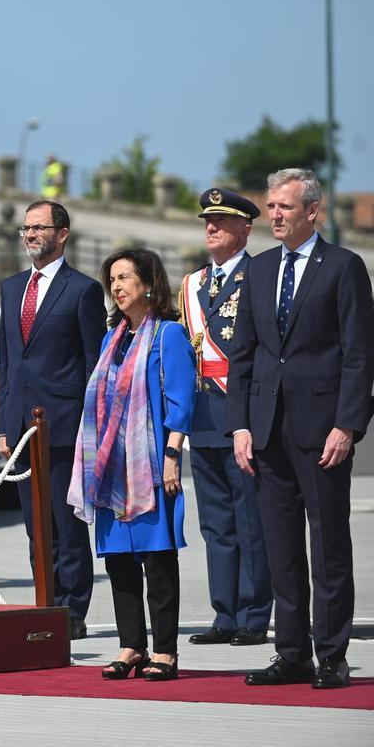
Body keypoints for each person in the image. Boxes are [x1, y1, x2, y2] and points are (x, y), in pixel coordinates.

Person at [229, 169, 374, 690]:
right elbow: (243, 356)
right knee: (282, 550)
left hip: (323, 432)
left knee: (329, 547)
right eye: (270, 206)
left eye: (284, 207)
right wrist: (239, 426)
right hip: (266, 431)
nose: (274, 215)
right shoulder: (260, 271)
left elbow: (360, 355)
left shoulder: (344, 268)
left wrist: (348, 425)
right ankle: (290, 653)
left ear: (313, 210)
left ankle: (331, 654)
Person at [69, 248, 195, 681]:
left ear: (148, 284)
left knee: (157, 557)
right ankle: (131, 645)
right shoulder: (112, 339)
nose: (118, 287)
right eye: (113, 280)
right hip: (110, 467)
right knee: (119, 560)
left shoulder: (169, 336)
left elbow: (181, 403)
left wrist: (172, 458)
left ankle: (165, 650)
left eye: (125, 278)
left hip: (151, 464)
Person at [0, 200, 104, 640]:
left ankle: (72, 609)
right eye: (26, 229)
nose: (30, 235)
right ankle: (45, 600)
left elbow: (92, 362)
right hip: (23, 428)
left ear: (62, 234)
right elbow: (9, 361)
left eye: (39, 228)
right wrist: (5, 424)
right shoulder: (10, 287)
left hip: (65, 423)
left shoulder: (82, 290)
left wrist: (91, 426)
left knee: (66, 523)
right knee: (35, 524)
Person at [178, 189, 272, 648]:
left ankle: (255, 614)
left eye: (221, 220)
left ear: (244, 230)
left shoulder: (259, 276)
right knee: (215, 523)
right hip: (201, 416)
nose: (210, 227)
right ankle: (225, 612)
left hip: (244, 418)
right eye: (207, 220)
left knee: (250, 519)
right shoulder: (192, 284)